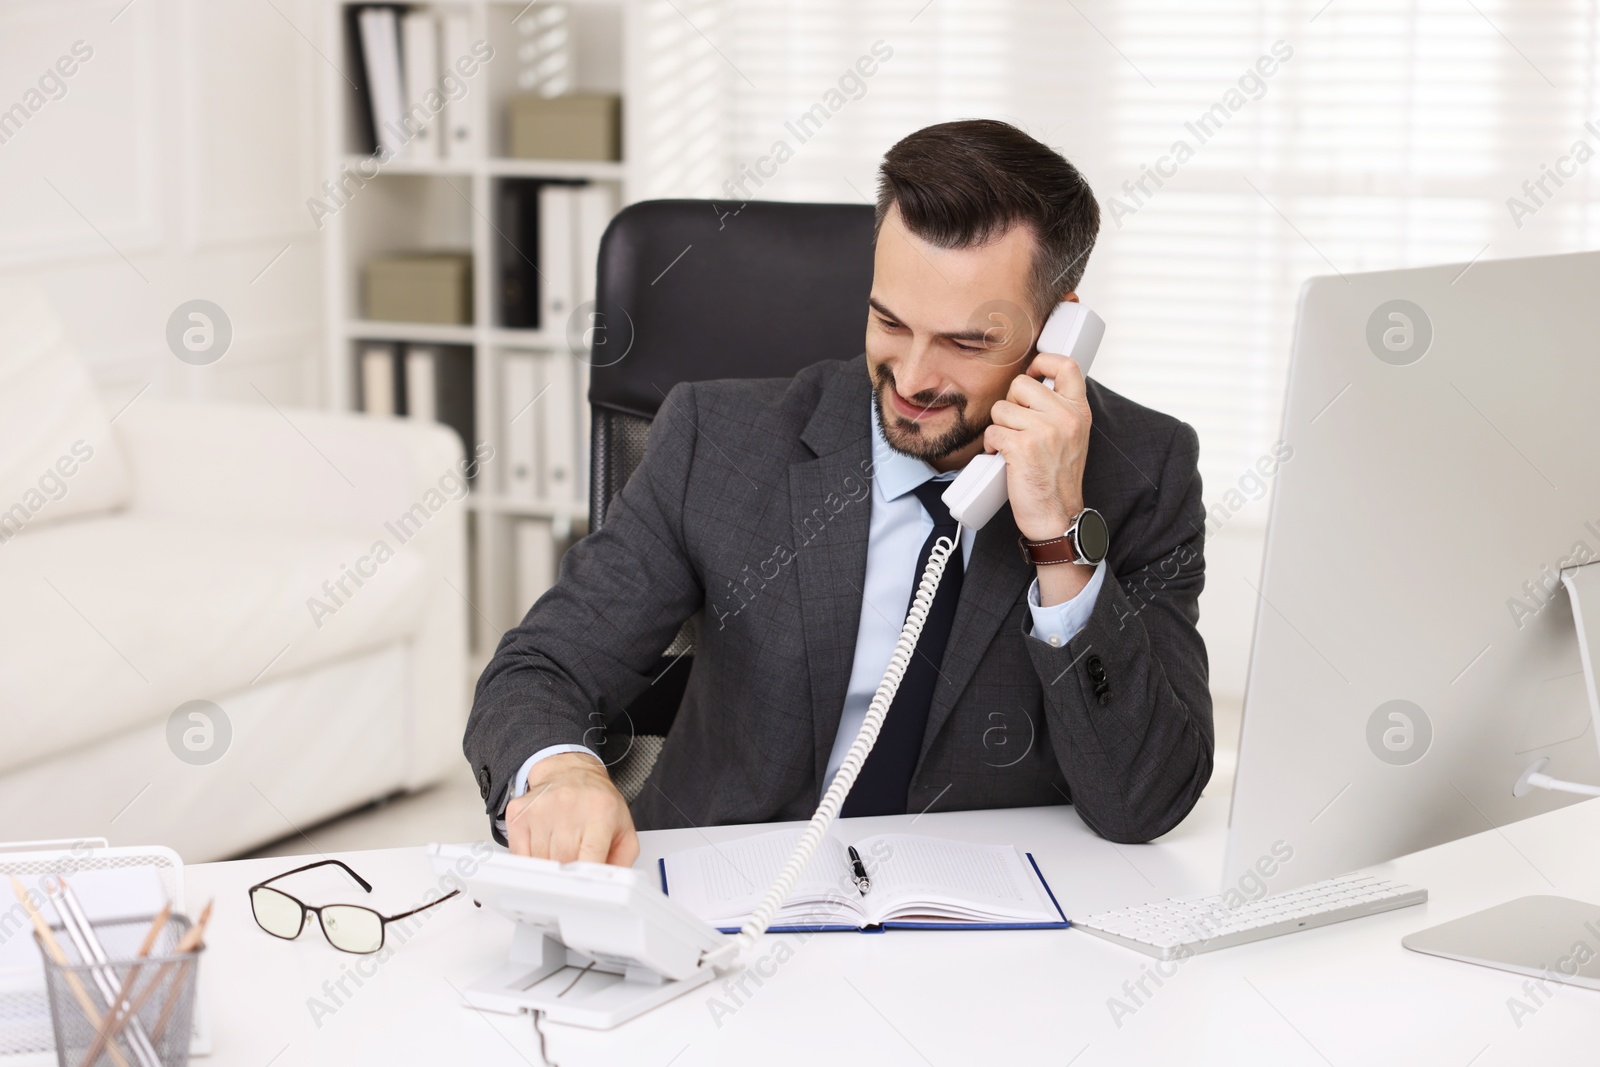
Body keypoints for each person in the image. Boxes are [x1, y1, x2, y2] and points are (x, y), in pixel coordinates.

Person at [464, 118, 1213, 864]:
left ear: (1058, 330)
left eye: (966, 341)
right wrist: (561, 771)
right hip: (728, 902)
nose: (914, 378)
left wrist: (1057, 530)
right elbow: (537, 671)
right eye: (890, 321)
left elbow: (1142, 800)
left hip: (976, 937)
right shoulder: (717, 440)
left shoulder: (1144, 472)